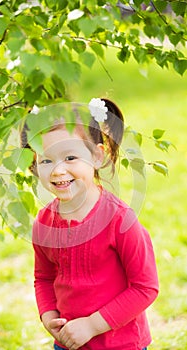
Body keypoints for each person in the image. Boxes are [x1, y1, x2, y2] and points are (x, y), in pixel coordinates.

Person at [24, 98, 159, 350]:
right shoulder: (44, 224)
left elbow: (145, 287)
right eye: (46, 160)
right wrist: (49, 315)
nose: (57, 171)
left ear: (97, 156)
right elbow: (43, 277)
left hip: (121, 344)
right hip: (67, 343)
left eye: (70, 157)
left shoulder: (120, 221)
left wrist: (92, 326)